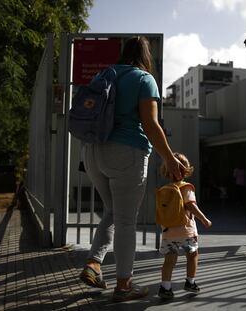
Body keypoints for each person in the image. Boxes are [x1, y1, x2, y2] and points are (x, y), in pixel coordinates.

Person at [79, 36, 185, 302]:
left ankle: (93, 263)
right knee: (126, 220)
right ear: (145, 55)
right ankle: (124, 285)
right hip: (126, 153)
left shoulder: (106, 74)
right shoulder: (143, 79)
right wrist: (169, 158)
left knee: (113, 212)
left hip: (92, 151)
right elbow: (150, 124)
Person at [157, 152, 212, 300]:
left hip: (168, 232)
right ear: (185, 170)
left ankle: (165, 287)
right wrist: (204, 219)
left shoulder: (164, 190)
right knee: (192, 255)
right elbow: (191, 206)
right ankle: (190, 282)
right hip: (187, 231)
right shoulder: (186, 188)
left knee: (169, 260)